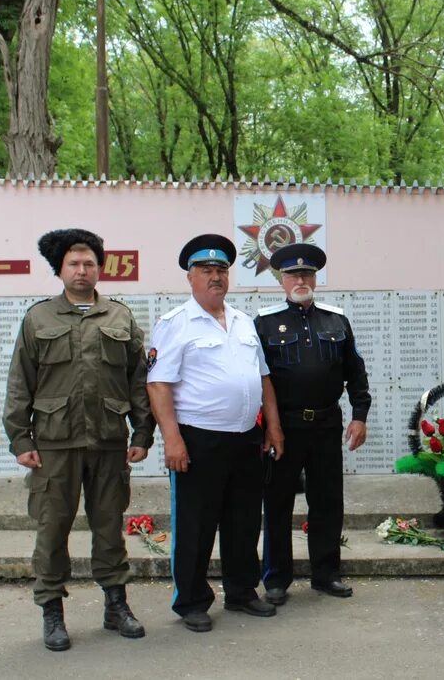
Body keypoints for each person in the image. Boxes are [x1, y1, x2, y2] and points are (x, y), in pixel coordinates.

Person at [4, 228, 153, 651]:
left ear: (99, 268)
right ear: (61, 269)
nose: (82, 270)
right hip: (54, 445)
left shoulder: (120, 317)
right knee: (52, 531)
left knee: (109, 528)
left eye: (89, 263)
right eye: (74, 263)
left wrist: (142, 431)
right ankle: (52, 611)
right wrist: (20, 439)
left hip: (108, 441)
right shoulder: (39, 319)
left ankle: (115, 605)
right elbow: (20, 384)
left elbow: (137, 381)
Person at [146, 234, 283, 633]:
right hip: (198, 439)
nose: (215, 277)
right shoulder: (175, 323)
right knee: (196, 524)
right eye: (206, 271)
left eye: (222, 270)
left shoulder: (242, 321)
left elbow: (263, 378)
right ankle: (190, 600)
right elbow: (159, 385)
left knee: (243, 521)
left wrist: (273, 427)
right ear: (190, 278)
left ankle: (241, 592)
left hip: (245, 438)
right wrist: (171, 438)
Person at [254, 243, 371, 603]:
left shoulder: (336, 320)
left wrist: (359, 416)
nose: (300, 279)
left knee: (327, 502)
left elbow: (356, 373)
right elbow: (258, 379)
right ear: (282, 280)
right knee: (277, 504)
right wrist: (266, 429)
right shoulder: (264, 322)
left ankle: (326, 574)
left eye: (306, 274)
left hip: (325, 425)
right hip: (283, 427)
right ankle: (276, 579)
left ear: (315, 278)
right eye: (292, 274)